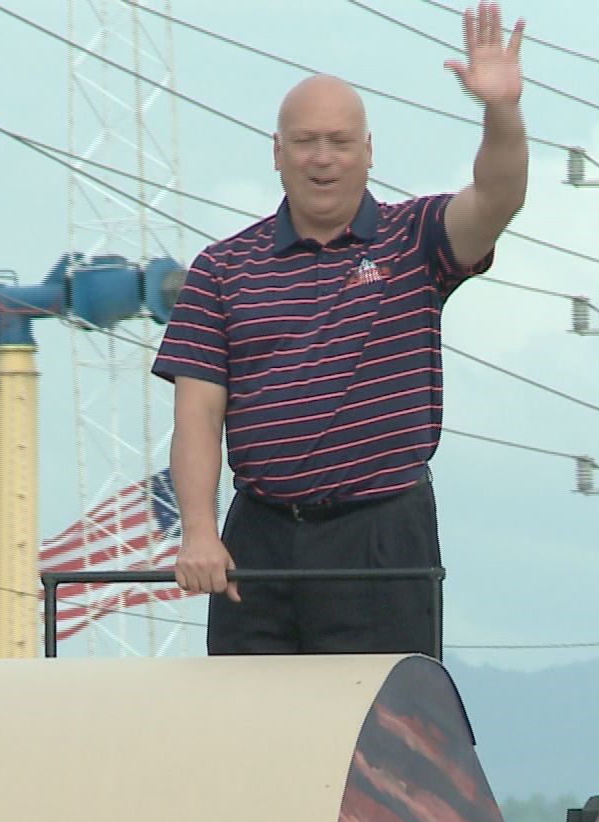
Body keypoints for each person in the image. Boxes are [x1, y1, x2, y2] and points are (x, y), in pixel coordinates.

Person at [152, 1, 528, 657]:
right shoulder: (221, 269)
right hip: (258, 540)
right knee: (249, 734)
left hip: (382, 535)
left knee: (379, 736)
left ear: (367, 152)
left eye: (339, 142)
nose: (321, 158)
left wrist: (500, 110)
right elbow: (197, 414)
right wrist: (198, 531)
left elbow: (498, 197)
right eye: (305, 141)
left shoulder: (418, 240)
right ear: (277, 151)